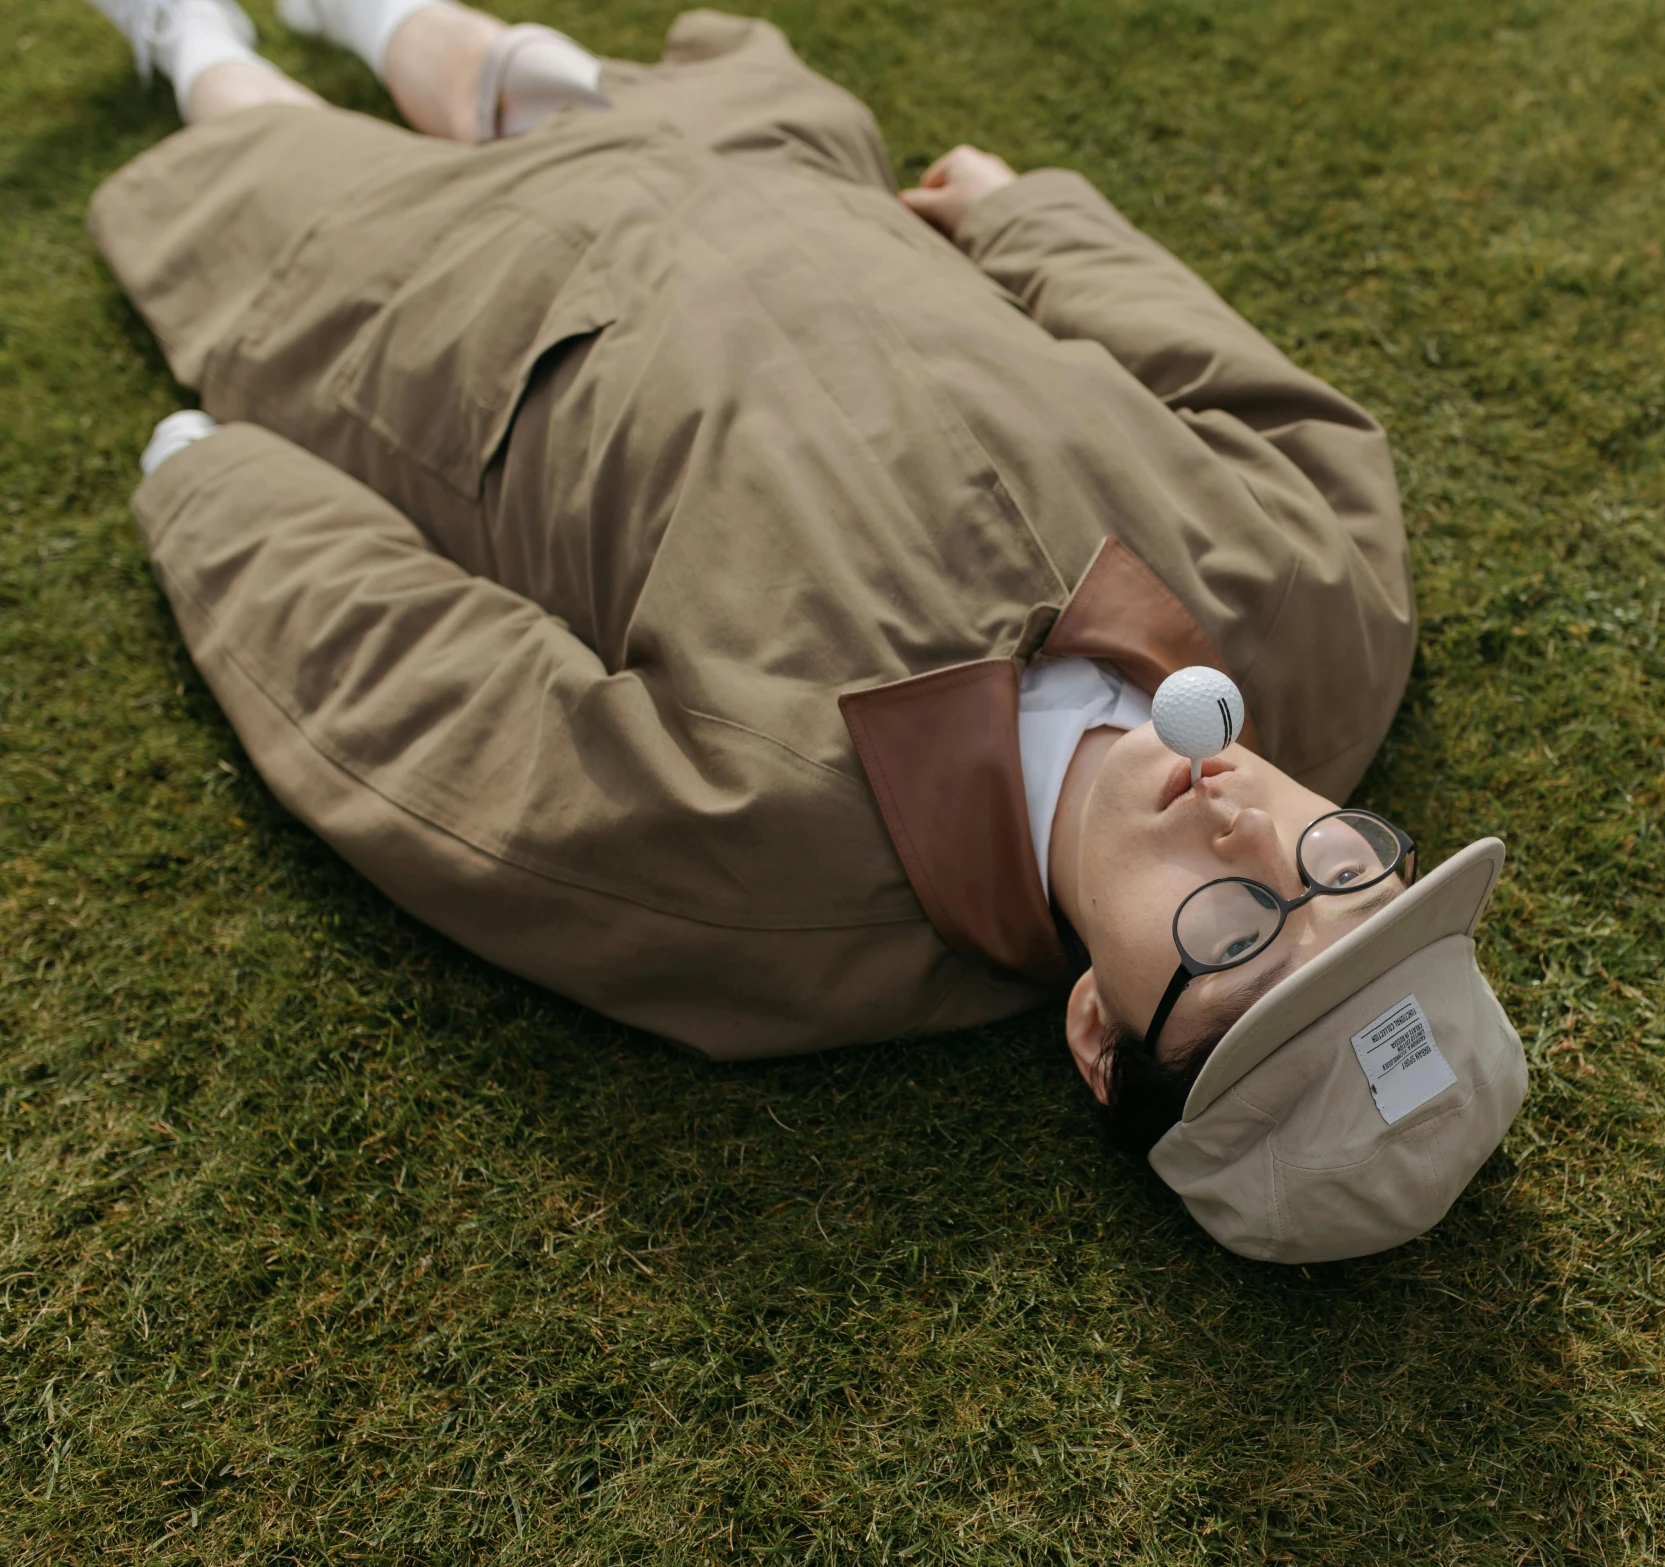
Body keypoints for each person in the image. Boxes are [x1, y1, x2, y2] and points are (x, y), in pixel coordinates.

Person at [79, 0, 1529, 1262]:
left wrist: (216, 488)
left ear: (1099, 1033)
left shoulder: (771, 865)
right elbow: (1250, 390)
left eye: (1233, 940)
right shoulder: (1329, 613)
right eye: (1343, 865)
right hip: (769, 179)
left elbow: (425, 716)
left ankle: (192, 38)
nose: (1252, 837)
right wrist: (1032, 218)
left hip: (489, 314)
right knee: (535, 77)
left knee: (268, 149)